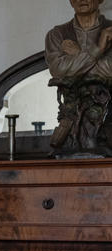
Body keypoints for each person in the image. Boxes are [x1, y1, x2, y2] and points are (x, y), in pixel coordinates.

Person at [45, 0, 112, 149]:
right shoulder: (57, 35)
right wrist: (98, 50)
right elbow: (59, 71)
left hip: (108, 120)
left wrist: (78, 55)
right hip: (70, 121)